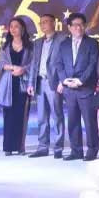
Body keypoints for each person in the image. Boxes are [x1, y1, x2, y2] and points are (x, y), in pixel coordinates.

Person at [55, 12, 99, 161]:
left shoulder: (92, 43)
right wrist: (64, 80)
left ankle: (92, 150)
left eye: (81, 25)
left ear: (85, 26)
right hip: (69, 89)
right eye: (75, 25)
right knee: (73, 121)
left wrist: (81, 81)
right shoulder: (64, 44)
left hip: (85, 88)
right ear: (69, 27)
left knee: (89, 121)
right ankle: (76, 151)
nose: (78, 28)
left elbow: (92, 65)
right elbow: (59, 64)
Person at [27, 14, 67, 159]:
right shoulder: (38, 42)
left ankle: (58, 147)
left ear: (53, 23)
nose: (43, 25)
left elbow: (65, 62)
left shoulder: (62, 39)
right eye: (41, 23)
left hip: (54, 82)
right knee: (41, 117)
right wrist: (31, 83)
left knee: (57, 115)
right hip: (40, 82)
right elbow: (34, 64)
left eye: (46, 22)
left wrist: (63, 81)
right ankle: (43, 147)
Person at [0, 17, 33, 155]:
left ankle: (20, 147)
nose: (13, 29)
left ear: (22, 28)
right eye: (11, 26)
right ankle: (8, 147)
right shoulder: (5, 46)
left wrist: (23, 69)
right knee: (8, 115)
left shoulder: (30, 46)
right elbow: (0, 64)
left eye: (16, 26)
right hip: (8, 83)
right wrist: (13, 67)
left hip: (24, 83)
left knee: (21, 115)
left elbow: (33, 64)